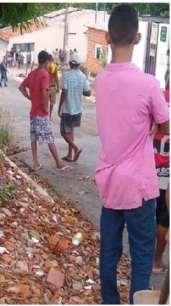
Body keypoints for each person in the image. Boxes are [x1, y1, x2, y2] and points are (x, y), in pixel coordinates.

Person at [94, 5, 170, 304]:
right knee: (141, 254)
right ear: (138, 38)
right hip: (139, 187)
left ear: (106, 38)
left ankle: (109, 301)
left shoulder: (100, 80)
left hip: (109, 183)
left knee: (109, 251)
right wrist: (153, 120)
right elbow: (165, 123)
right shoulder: (148, 84)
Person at [18, 50, 71, 172]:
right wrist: (45, 107)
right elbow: (43, 92)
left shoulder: (32, 74)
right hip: (41, 112)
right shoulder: (44, 74)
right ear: (46, 61)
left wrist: (29, 97)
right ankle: (58, 163)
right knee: (49, 137)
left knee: (34, 137)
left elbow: (21, 87)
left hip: (33, 111)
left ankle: (35, 162)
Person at [58, 53, 90, 162]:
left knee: (63, 132)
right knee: (71, 130)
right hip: (77, 108)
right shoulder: (83, 76)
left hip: (68, 108)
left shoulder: (66, 76)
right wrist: (79, 90)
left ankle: (76, 148)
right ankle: (69, 154)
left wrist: (59, 106)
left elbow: (64, 93)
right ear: (79, 64)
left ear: (70, 63)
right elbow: (88, 92)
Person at [153, 77, 170, 273]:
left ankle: (144, 256)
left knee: (150, 215)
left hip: (150, 168)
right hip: (168, 174)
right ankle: (156, 260)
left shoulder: (156, 100)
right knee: (164, 219)